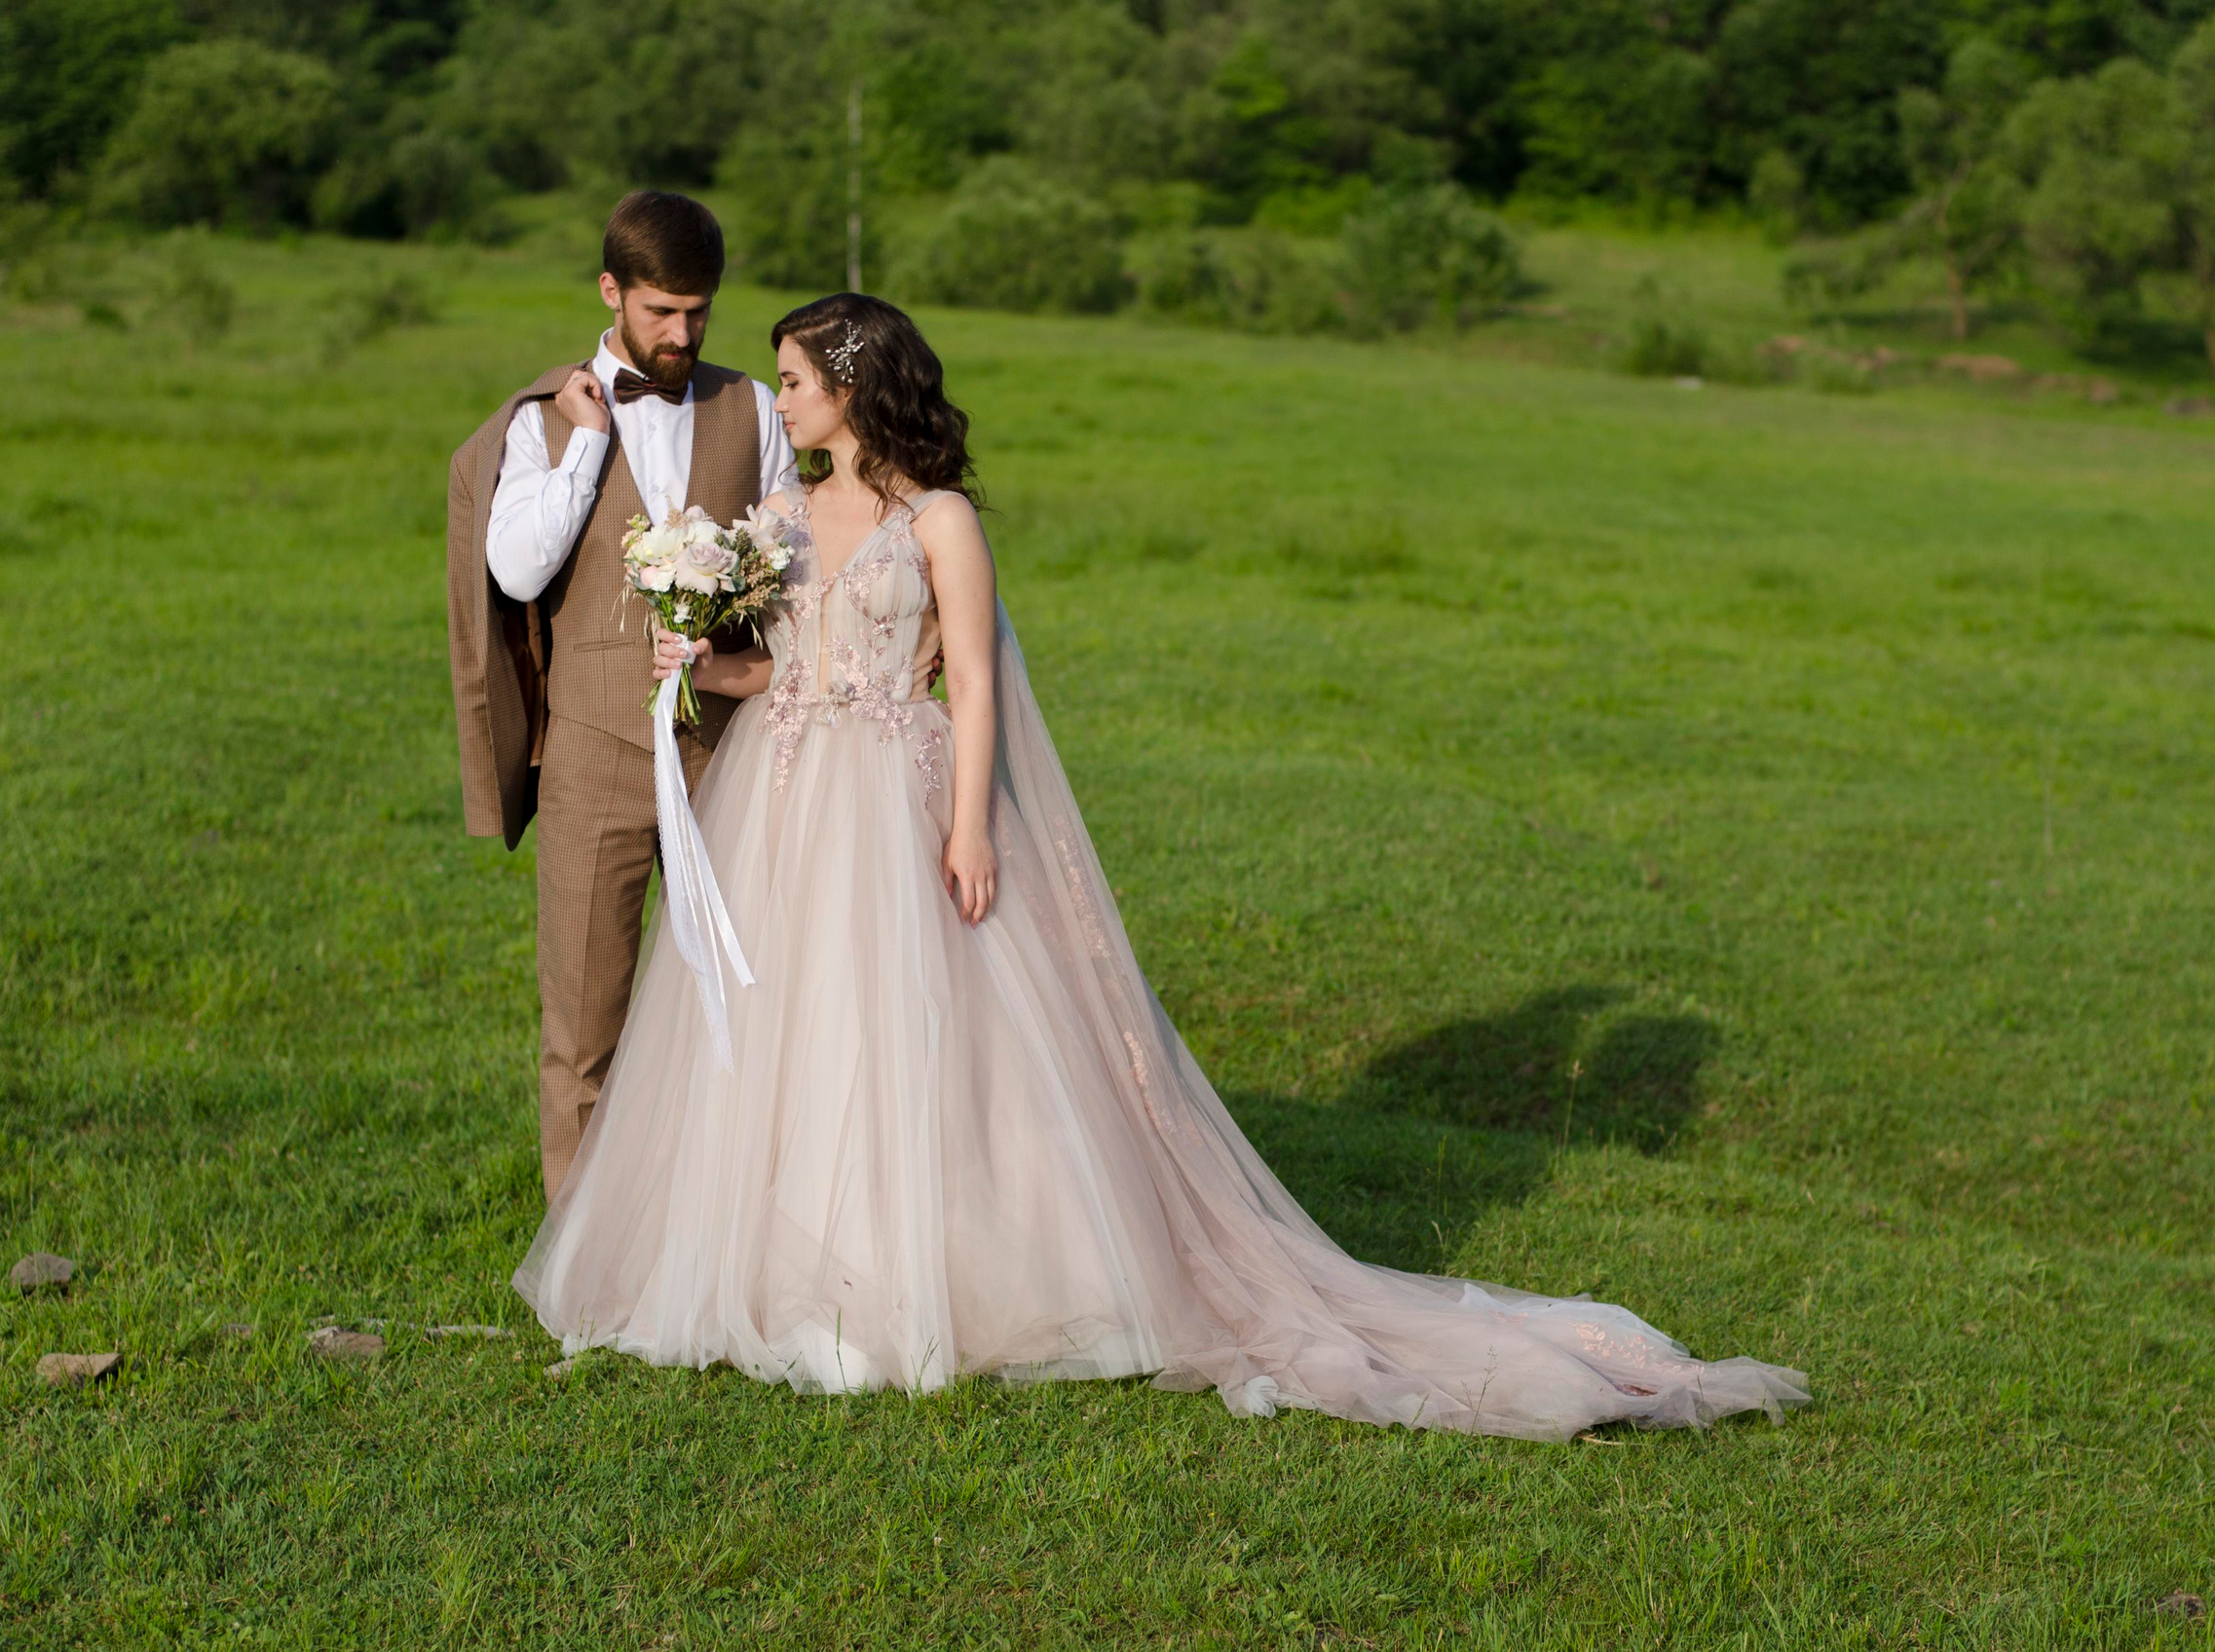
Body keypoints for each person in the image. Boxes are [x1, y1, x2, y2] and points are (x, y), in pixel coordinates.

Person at [512, 294, 1810, 1440]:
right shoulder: (785, 511)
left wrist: (969, 829)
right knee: (791, 1034)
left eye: (795, 379)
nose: (776, 397)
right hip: (783, 799)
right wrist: (706, 660)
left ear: (855, 387)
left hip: (895, 796)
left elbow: (973, 690)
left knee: (904, 1034)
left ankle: (919, 1282)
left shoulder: (941, 519)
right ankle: (778, 1271)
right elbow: (783, 665)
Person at [444, 191, 799, 1201]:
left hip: (727, 747)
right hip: (593, 753)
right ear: (610, 293)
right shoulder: (541, 420)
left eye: (698, 312)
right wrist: (588, 439)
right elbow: (515, 571)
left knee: (736, 997)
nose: (681, 334)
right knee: (585, 1019)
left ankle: (725, 1228)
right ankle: (584, 1249)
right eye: (659, 312)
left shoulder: (755, 408)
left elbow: (791, 556)